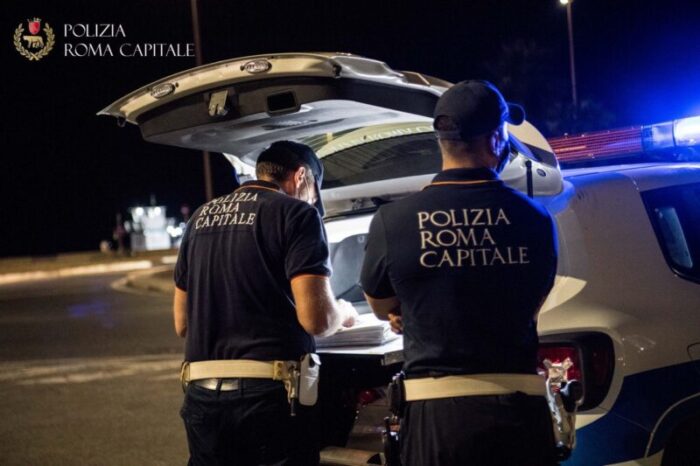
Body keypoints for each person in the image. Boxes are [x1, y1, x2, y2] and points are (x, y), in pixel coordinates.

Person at [360, 80, 559, 466]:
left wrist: (415, 308)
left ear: (440, 140)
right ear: (498, 137)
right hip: (517, 410)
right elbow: (534, 301)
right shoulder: (535, 218)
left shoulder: (393, 220)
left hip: (435, 418)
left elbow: (381, 304)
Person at [173, 140, 356, 466]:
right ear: (301, 177)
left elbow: (182, 323)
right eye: (315, 193)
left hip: (201, 395)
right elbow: (317, 320)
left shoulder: (199, 218)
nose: (313, 202)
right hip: (269, 397)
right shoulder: (298, 214)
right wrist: (343, 312)